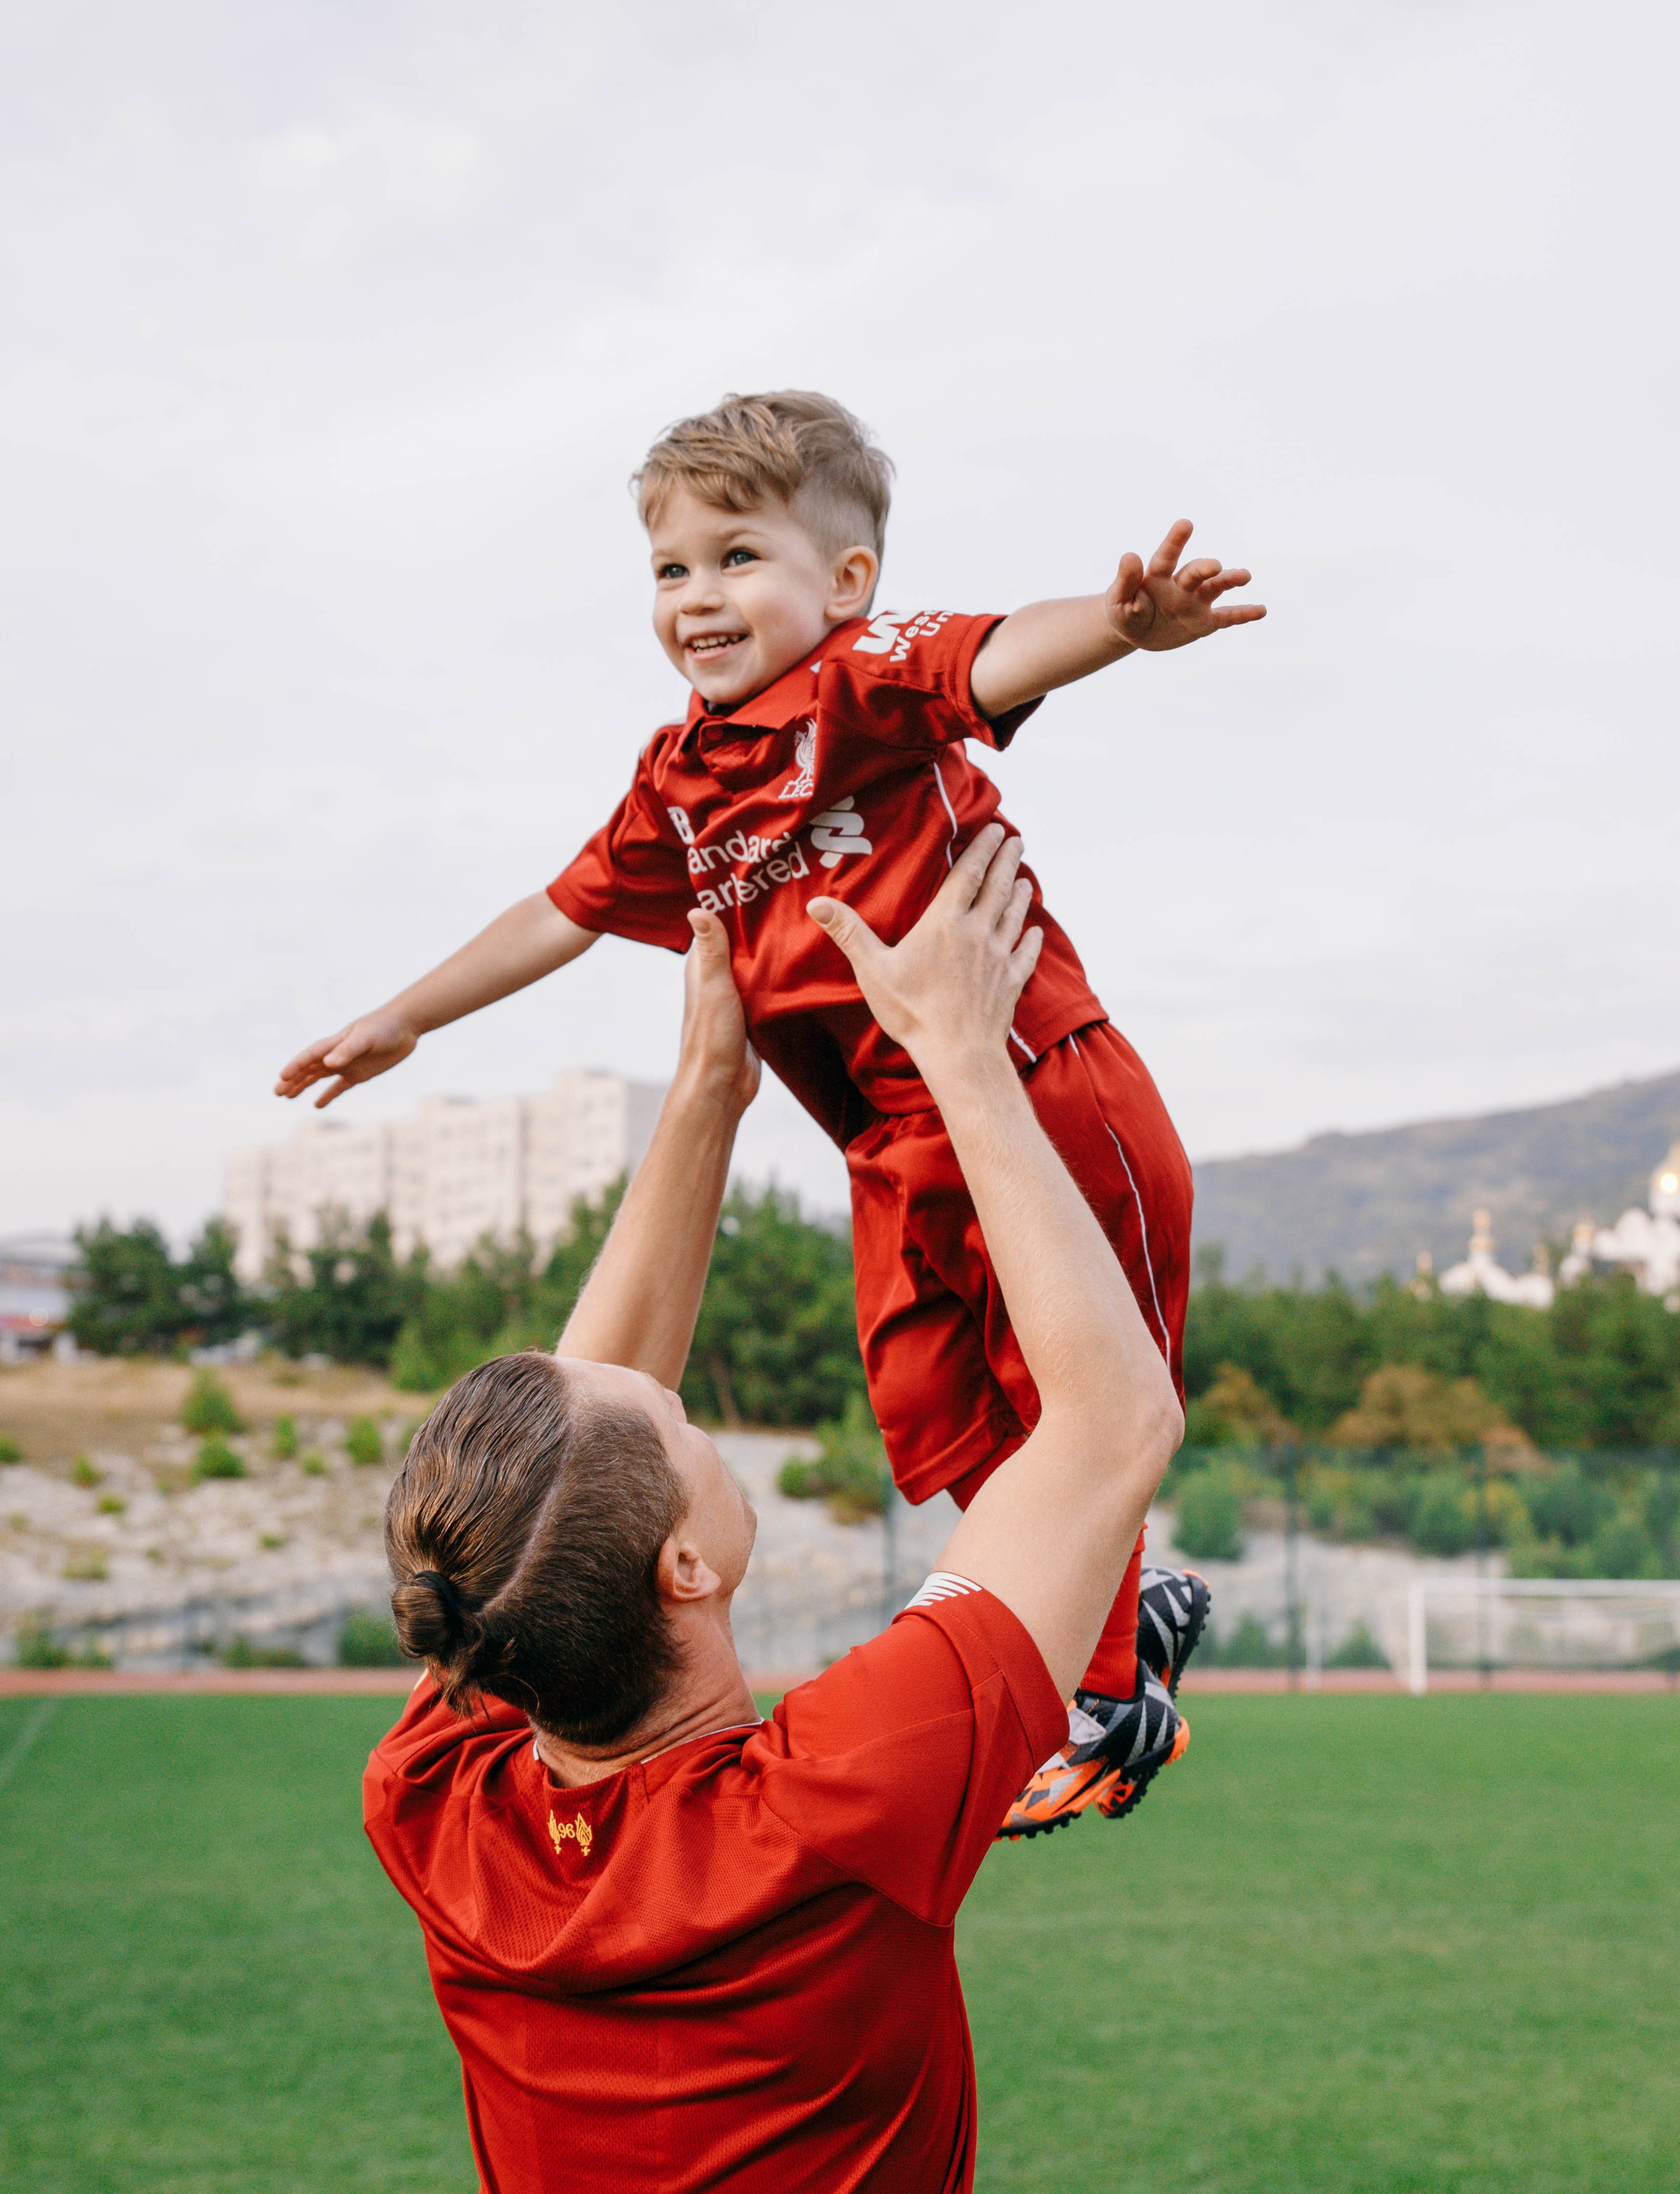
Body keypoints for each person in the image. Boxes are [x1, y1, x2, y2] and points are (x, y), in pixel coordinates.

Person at [359, 828, 1185, 2194]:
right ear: (689, 1563)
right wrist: (962, 1055)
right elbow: (1113, 1418)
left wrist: (709, 1097)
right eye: (673, 1419)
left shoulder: (439, 1803)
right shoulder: (839, 1801)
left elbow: (553, 1492)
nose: (666, 1378)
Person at [283, 391, 1260, 1834]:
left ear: (844, 583)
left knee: (1079, 1396)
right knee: (929, 1402)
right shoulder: (679, 781)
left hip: (1034, 1095)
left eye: (738, 557)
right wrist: (410, 1013)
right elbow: (561, 909)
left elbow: (995, 652)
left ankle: (1106, 1696)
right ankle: (1128, 1586)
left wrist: (1124, 625)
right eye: (671, 570)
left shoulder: (863, 679)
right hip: (886, 1142)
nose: (699, 597)